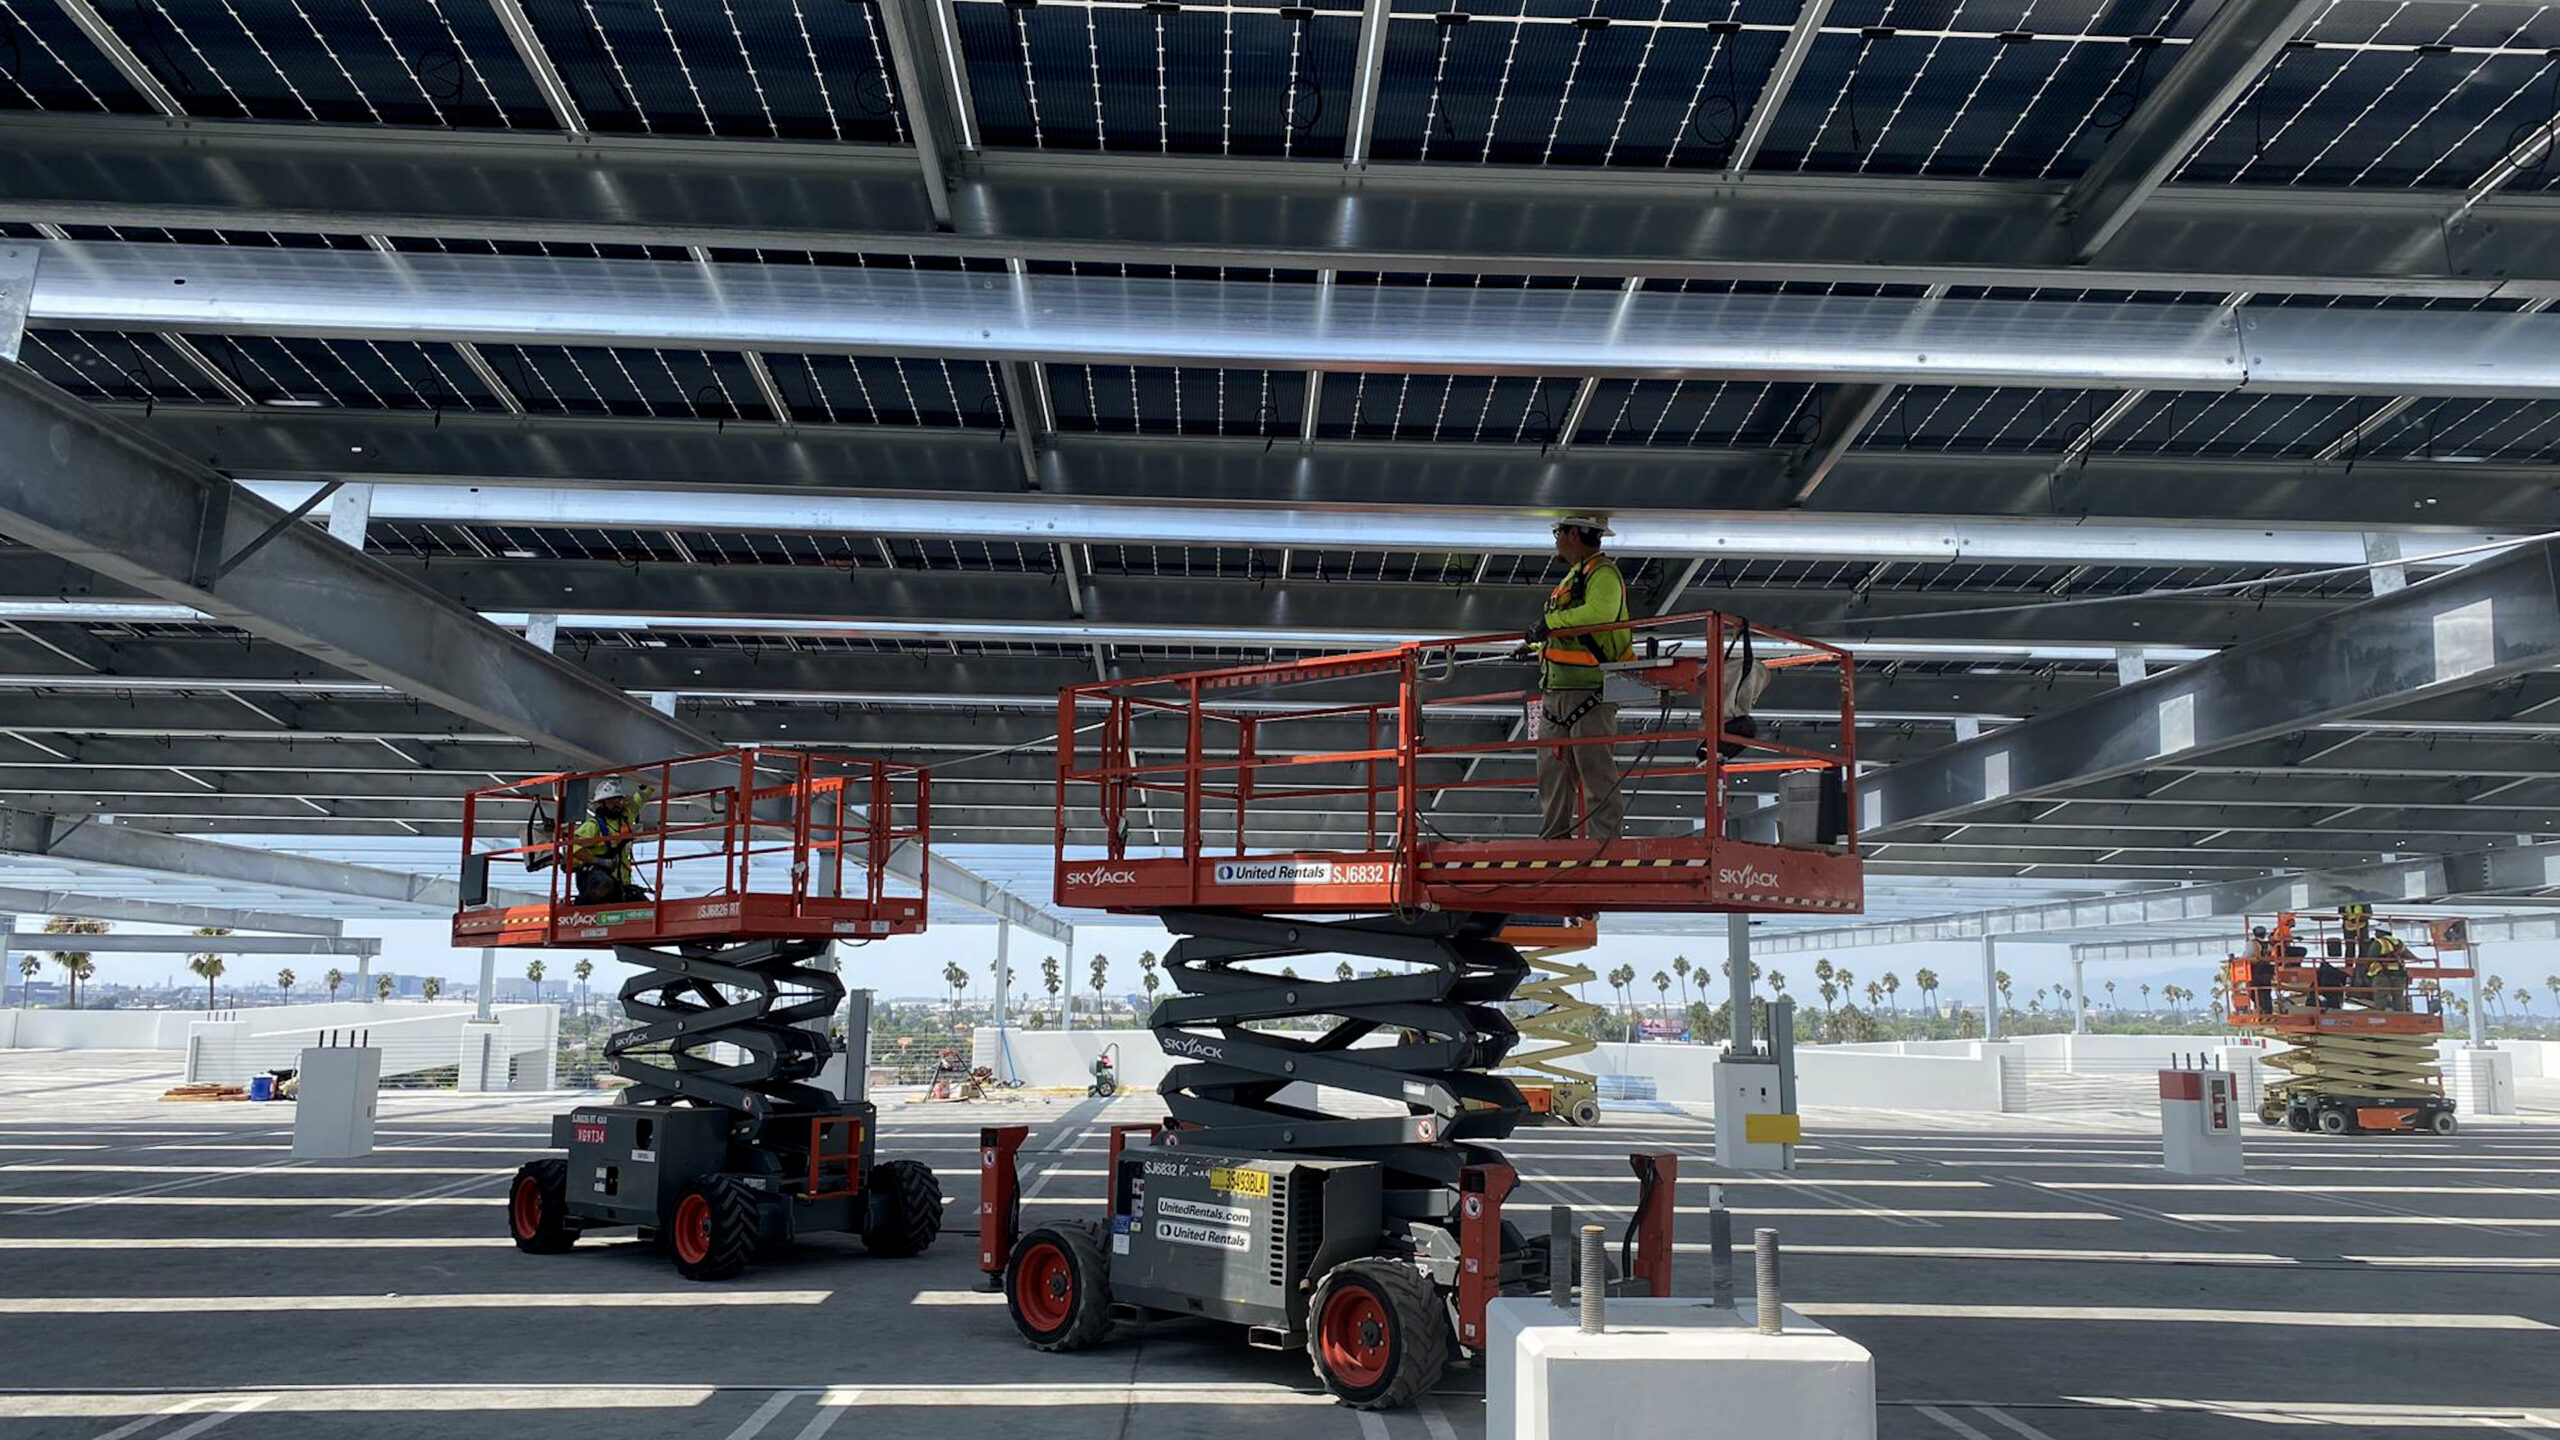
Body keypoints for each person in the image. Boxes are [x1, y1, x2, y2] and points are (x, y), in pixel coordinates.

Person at [1526, 515, 1634, 841]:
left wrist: (1550, 623)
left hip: (1592, 690)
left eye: (1558, 532)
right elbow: (1565, 631)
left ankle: (1606, 845)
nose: (1556, 539)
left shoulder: (1603, 574)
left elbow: (1598, 616)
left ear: (1573, 533)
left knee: (1595, 771)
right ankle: (1553, 841)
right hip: (1557, 691)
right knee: (1552, 773)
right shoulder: (1576, 577)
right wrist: (1536, 640)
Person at [569, 778, 655, 905]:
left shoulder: (625, 817)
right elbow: (571, 847)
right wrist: (599, 861)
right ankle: (580, 907)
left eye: (619, 800)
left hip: (619, 883)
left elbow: (639, 800)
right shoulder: (593, 826)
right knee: (604, 885)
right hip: (593, 878)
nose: (617, 804)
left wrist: (646, 783)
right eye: (612, 800)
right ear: (601, 804)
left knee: (646, 907)